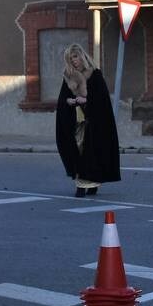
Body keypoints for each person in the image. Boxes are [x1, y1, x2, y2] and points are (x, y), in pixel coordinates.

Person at [55, 43, 120, 197]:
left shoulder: (95, 74)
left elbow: (101, 98)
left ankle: (90, 184)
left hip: (93, 121)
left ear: (82, 56)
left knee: (91, 153)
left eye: (75, 57)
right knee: (77, 150)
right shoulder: (69, 77)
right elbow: (63, 98)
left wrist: (86, 101)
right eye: (71, 59)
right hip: (76, 121)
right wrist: (69, 101)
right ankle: (80, 184)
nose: (74, 61)